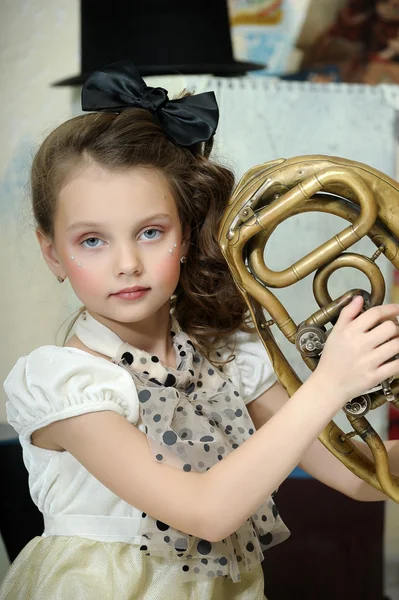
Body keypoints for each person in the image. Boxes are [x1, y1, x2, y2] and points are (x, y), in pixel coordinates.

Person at [1, 61, 399, 600]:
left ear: (187, 236)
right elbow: (206, 512)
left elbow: (356, 475)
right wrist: (331, 383)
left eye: (150, 232)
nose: (127, 263)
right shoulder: (66, 382)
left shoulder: (229, 355)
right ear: (53, 252)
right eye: (92, 240)